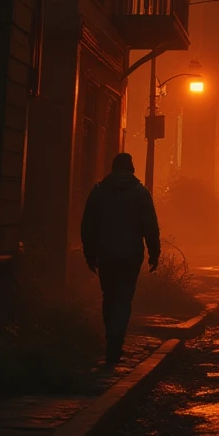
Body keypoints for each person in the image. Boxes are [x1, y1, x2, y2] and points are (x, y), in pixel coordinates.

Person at [81, 152, 160, 364]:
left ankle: (111, 337)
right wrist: (154, 252)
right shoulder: (140, 193)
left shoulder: (98, 192)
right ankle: (116, 340)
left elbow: (87, 225)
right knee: (124, 298)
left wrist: (89, 253)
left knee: (109, 296)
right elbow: (150, 226)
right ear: (131, 168)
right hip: (131, 254)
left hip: (105, 253)